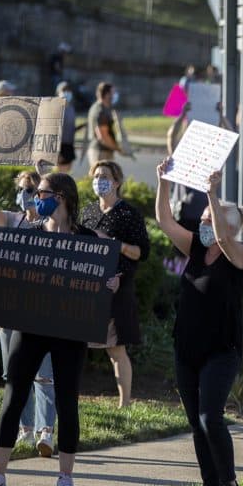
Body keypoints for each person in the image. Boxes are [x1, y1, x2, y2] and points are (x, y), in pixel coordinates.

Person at [0, 172, 120, 486]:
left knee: (67, 402)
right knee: (13, 395)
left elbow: (108, 273)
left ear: (63, 197)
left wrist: (113, 283)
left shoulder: (89, 239)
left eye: (43, 193)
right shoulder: (30, 234)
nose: (36, 198)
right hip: (32, 326)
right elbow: (6, 271)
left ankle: (65, 481)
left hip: (71, 331)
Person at [155, 159, 243, 486]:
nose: (203, 225)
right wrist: (163, 180)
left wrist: (212, 193)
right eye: (204, 220)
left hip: (220, 350)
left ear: (226, 226)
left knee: (211, 416)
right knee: (195, 422)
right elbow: (165, 221)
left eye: (210, 220)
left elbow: (226, 240)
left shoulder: (237, 254)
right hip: (187, 348)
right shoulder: (196, 248)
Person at [0, 160, 57, 457]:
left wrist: (46, 177)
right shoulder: (10, 220)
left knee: (43, 374)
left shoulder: (49, 224)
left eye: (30, 189)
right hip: (7, 308)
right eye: (21, 190)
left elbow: (61, 222)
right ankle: (25, 430)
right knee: (13, 374)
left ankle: (47, 432)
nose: (25, 195)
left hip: (41, 310)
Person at [80, 160, 150, 408]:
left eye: (105, 176)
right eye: (96, 176)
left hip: (117, 288)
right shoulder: (87, 212)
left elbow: (142, 252)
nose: (99, 180)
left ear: (117, 182)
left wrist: (112, 243)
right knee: (76, 345)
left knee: (115, 349)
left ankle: (125, 404)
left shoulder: (128, 214)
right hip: (88, 287)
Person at [87, 82, 121, 164]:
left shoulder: (105, 108)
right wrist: (118, 148)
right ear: (106, 94)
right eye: (113, 93)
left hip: (104, 151)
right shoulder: (100, 110)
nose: (115, 95)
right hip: (100, 152)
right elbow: (103, 136)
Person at [56, 82, 77, 175]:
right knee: (60, 173)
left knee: (67, 172)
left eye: (68, 90)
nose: (66, 92)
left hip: (69, 144)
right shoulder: (56, 107)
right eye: (64, 90)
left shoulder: (72, 108)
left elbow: (71, 127)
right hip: (59, 145)